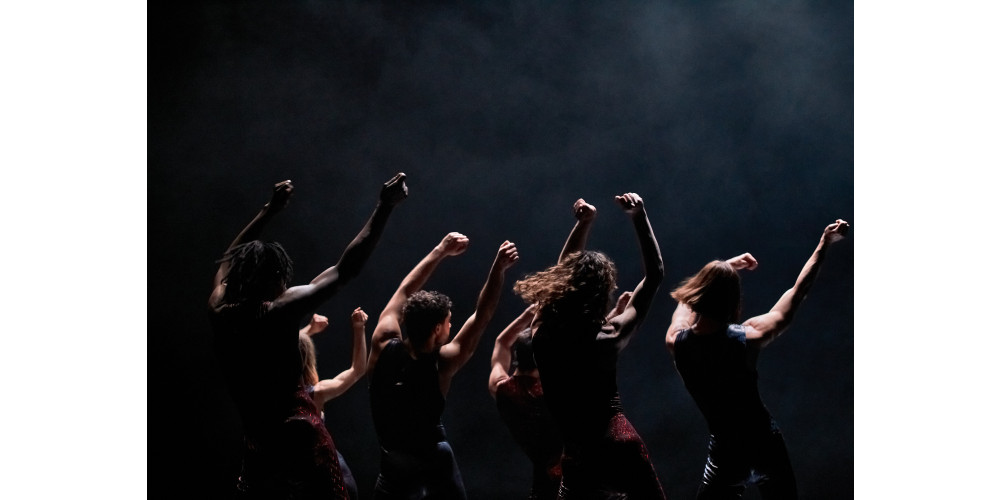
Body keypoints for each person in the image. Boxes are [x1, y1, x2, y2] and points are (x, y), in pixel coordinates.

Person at [209, 173, 408, 499]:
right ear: (276, 279)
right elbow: (344, 270)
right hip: (302, 442)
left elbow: (227, 262)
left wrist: (268, 210)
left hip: (259, 448)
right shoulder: (279, 311)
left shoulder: (218, 311)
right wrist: (384, 207)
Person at [665, 219, 850, 500]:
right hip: (766, 447)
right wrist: (824, 243)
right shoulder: (749, 337)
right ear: (733, 301)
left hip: (726, 454)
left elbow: (685, 302)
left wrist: (724, 268)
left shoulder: (677, 341)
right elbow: (797, 292)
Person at [513, 194, 667, 499]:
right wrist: (639, 217)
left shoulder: (541, 331)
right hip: (619, 444)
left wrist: (584, 223)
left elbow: (561, 273)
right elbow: (655, 275)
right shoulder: (608, 338)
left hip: (578, 455)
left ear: (560, 287)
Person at [367, 232, 519, 499]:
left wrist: (440, 250)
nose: (451, 324)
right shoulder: (442, 364)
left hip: (393, 466)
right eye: (449, 321)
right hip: (433, 465)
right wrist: (498, 269)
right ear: (438, 328)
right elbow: (482, 316)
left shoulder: (382, 342)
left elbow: (405, 291)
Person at [297, 308, 370, 500]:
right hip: (329, 476)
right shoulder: (315, 394)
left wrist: (308, 330)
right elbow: (357, 370)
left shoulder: (270, 394)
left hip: (297, 479)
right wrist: (359, 328)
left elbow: (283, 350)